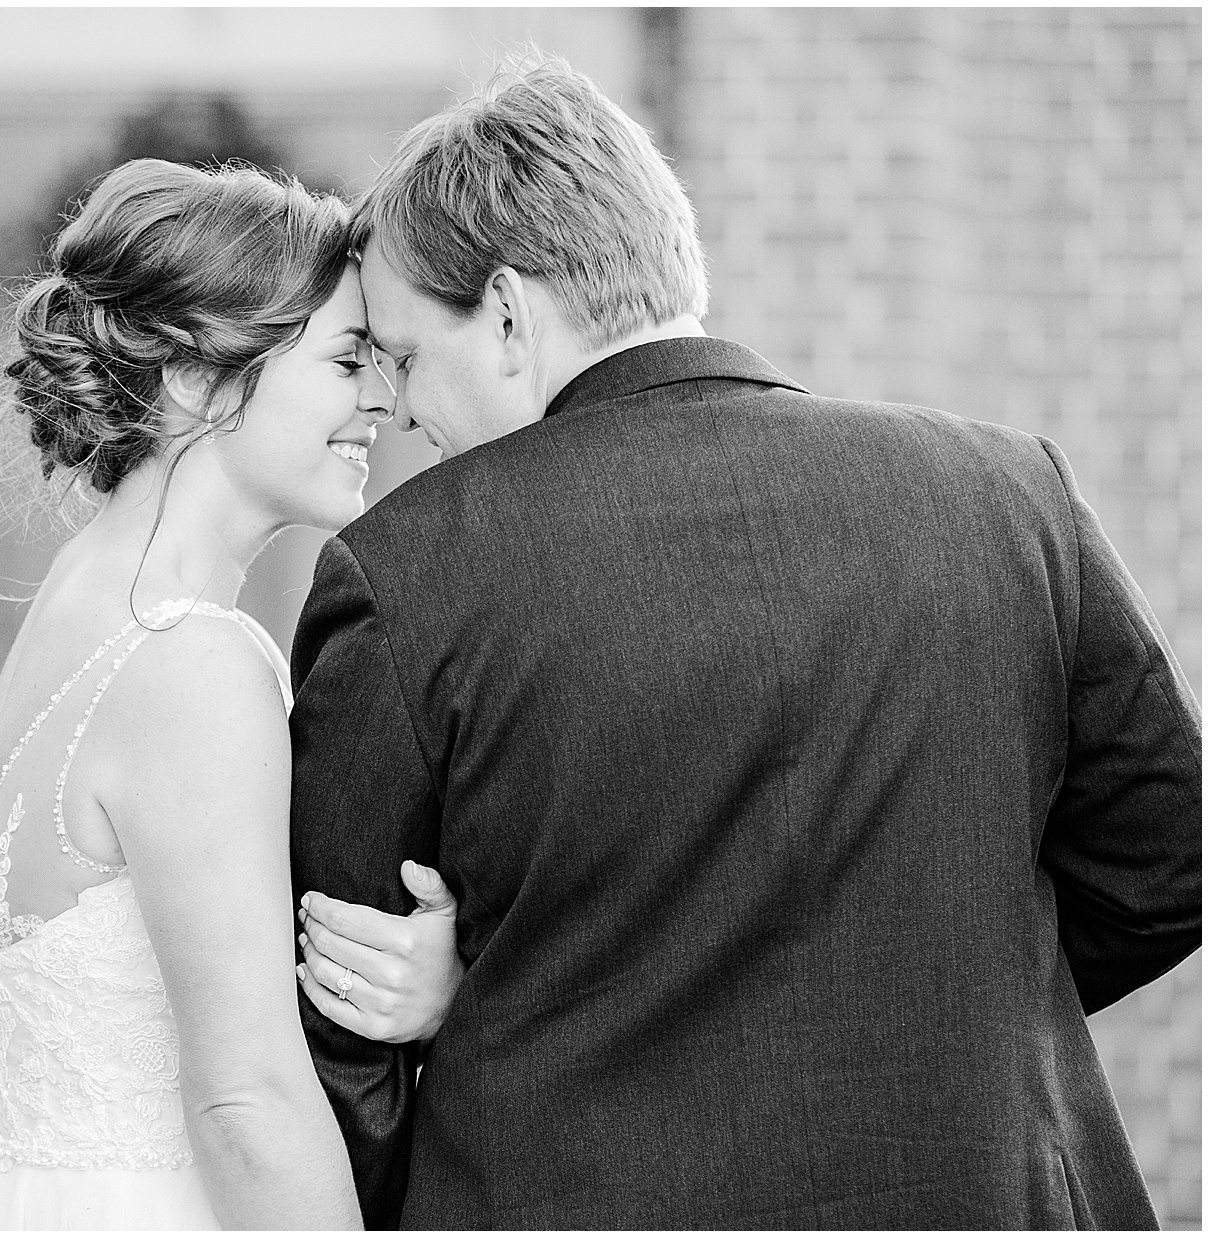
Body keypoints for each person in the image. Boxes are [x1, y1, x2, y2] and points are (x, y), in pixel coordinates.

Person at [289, 51, 1201, 1229]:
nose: (402, 409)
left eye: (408, 358)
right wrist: (942, 994)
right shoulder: (1004, 492)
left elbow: (343, 1015)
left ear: (509, 314)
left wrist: (494, 996)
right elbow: (1169, 862)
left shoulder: (409, 571)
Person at [0, 159, 461, 1231]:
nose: (383, 398)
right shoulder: (192, 661)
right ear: (198, 378)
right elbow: (244, 1098)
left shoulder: (86, 595)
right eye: (347, 361)